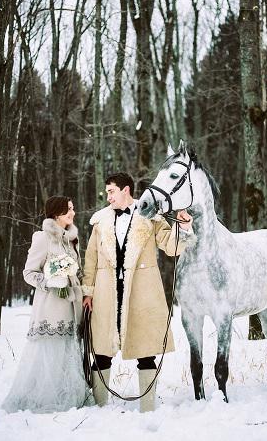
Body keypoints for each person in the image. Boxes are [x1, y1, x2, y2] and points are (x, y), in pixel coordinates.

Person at [82, 172, 194, 413]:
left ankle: (147, 408)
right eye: (107, 192)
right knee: (101, 351)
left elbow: (171, 247)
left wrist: (183, 226)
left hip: (141, 292)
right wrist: (88, 292)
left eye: (111, 191)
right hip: (106, 293)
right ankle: (98, 407)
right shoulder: (100, 220)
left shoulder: (150, 216)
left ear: (126, 190)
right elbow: (90, 258)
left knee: (146, 352)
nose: (107, 196)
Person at [2, 196, 88, 413]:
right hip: (50, 307)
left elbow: (75, 272)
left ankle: (68, 397)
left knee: (66, 353)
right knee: (50, 353)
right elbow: (28, 273)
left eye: (73, 208)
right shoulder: (42, 238)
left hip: (71, 306)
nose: (73, 212)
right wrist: (50, 280)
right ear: (57, 213)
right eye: (69, 209)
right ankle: (43, 399)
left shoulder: (72, 239)